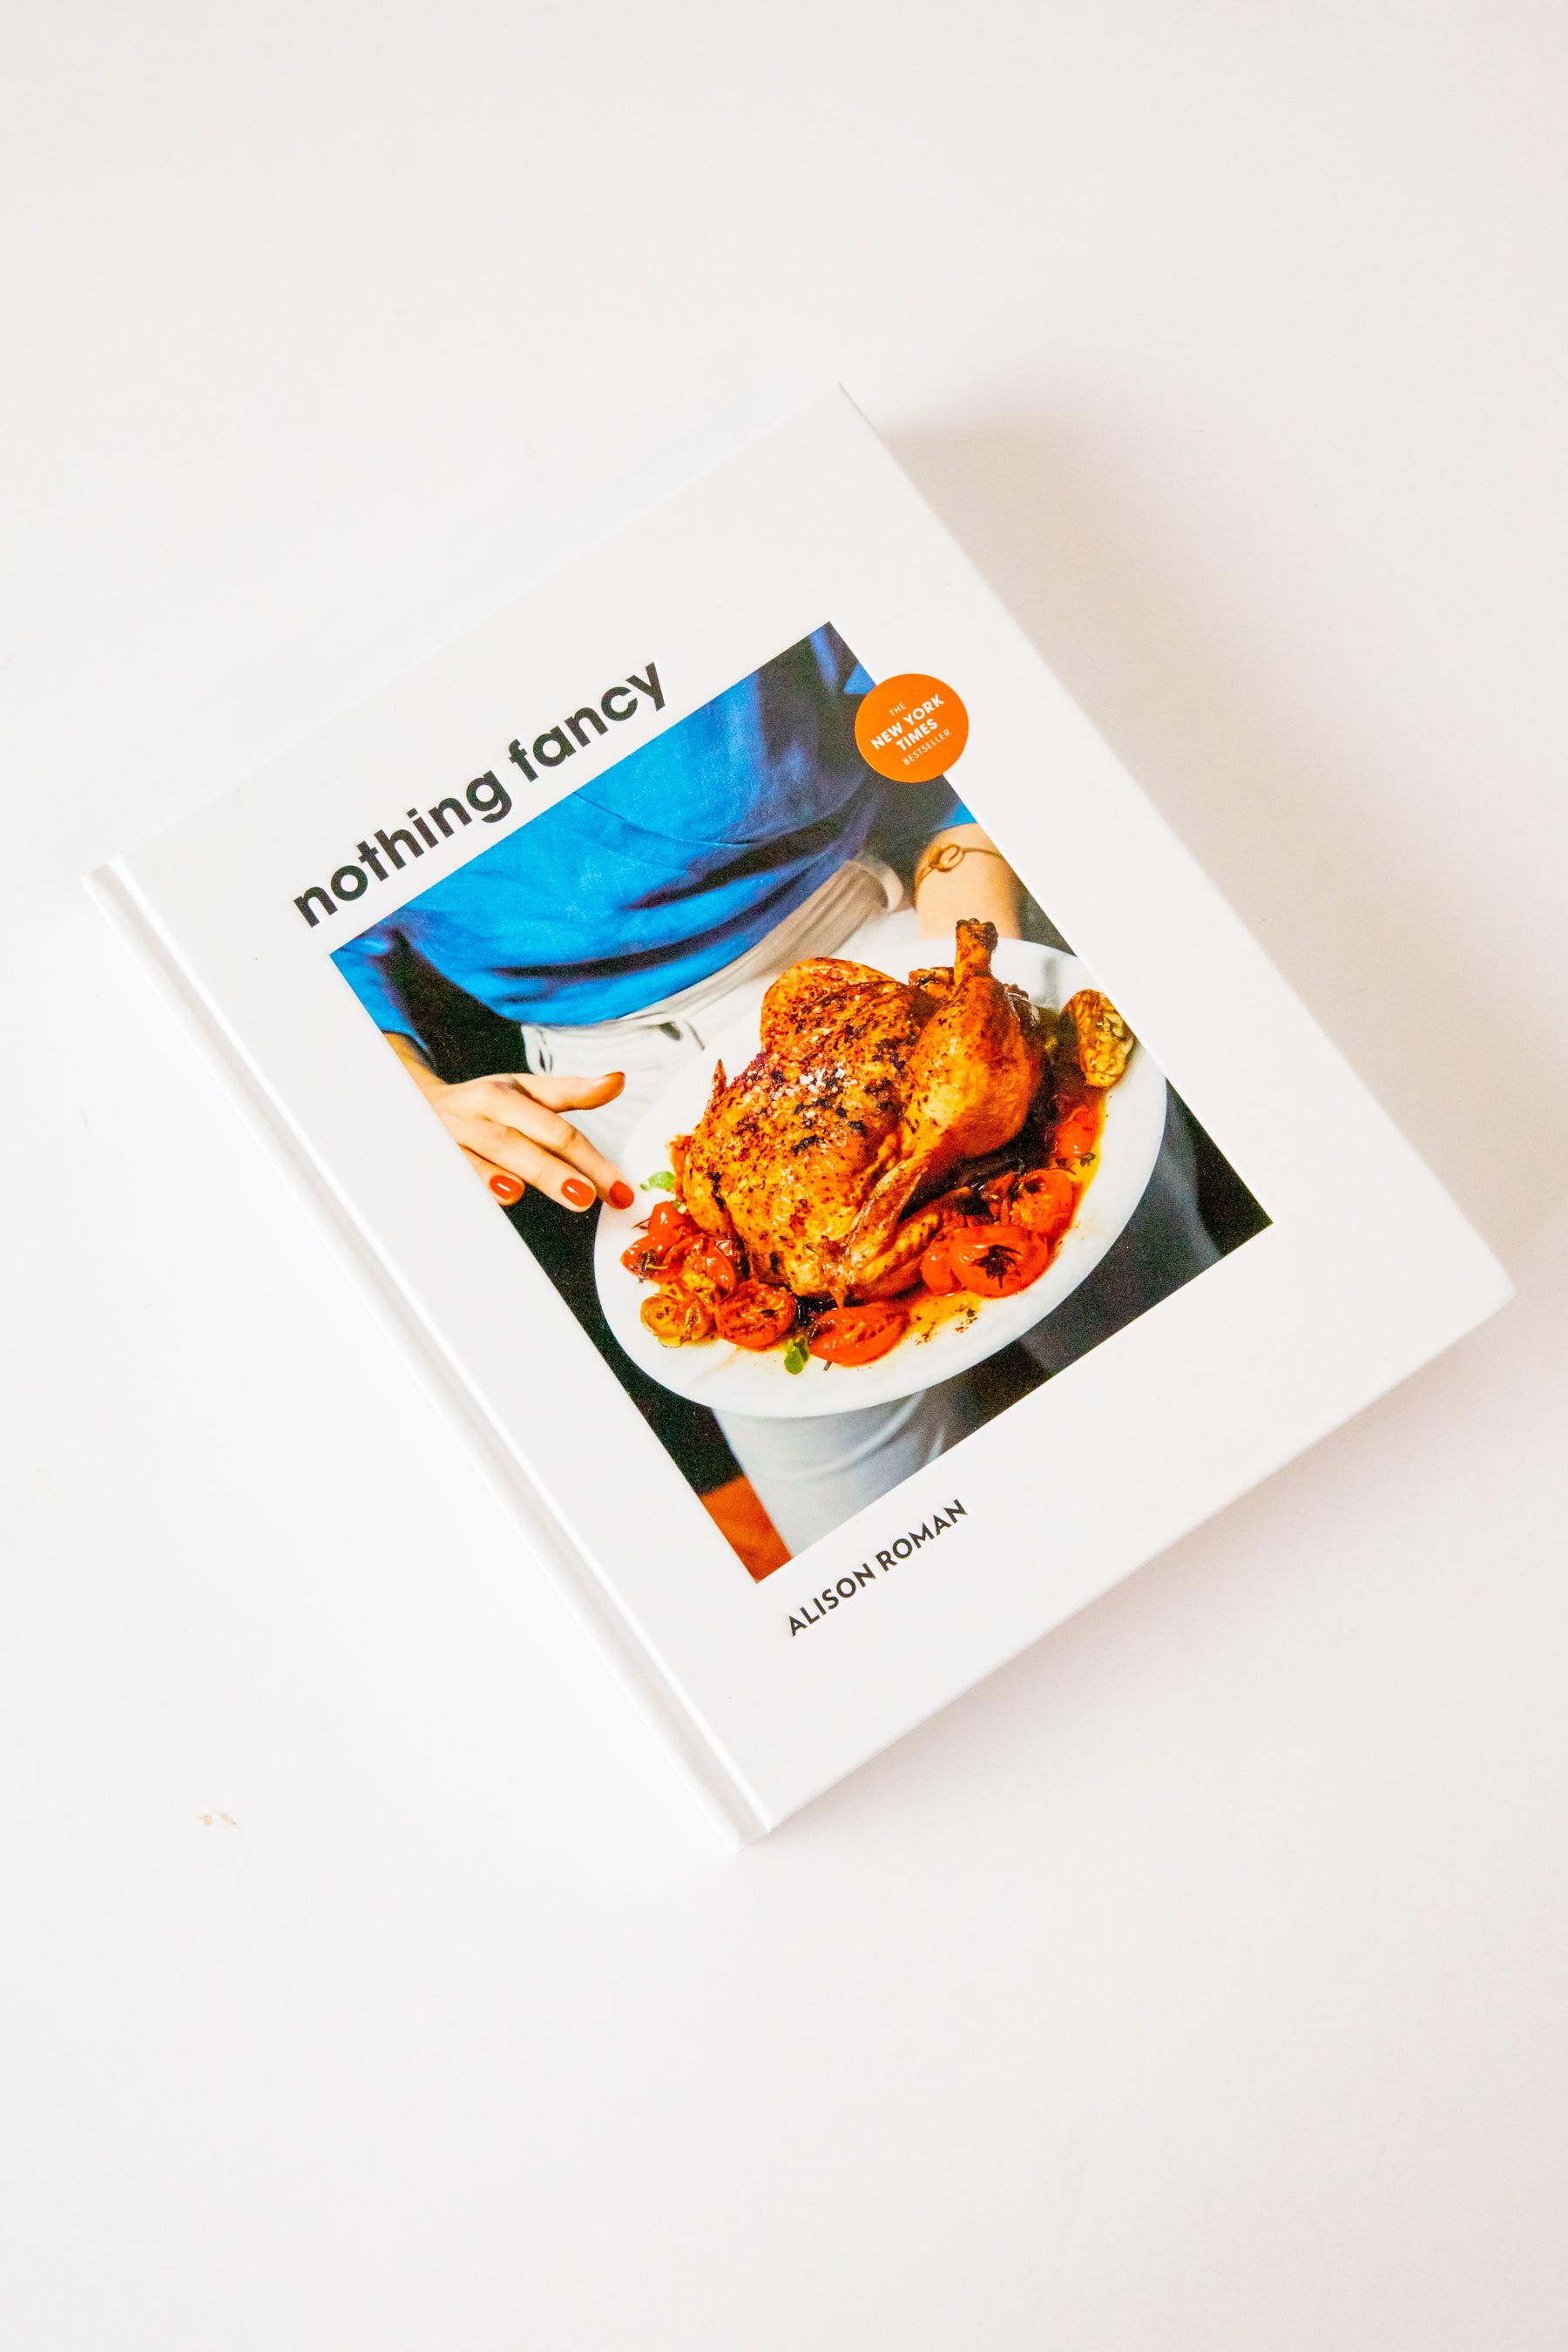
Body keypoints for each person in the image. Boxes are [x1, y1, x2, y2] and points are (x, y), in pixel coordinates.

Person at [333, 625, 1214, 1551]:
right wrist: (409, 1091)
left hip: (882, 950)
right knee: (859, 1538)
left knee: (1161, 1344)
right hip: (614, 1085)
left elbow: (939, 700)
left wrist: (981, 977)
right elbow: (307, 951)